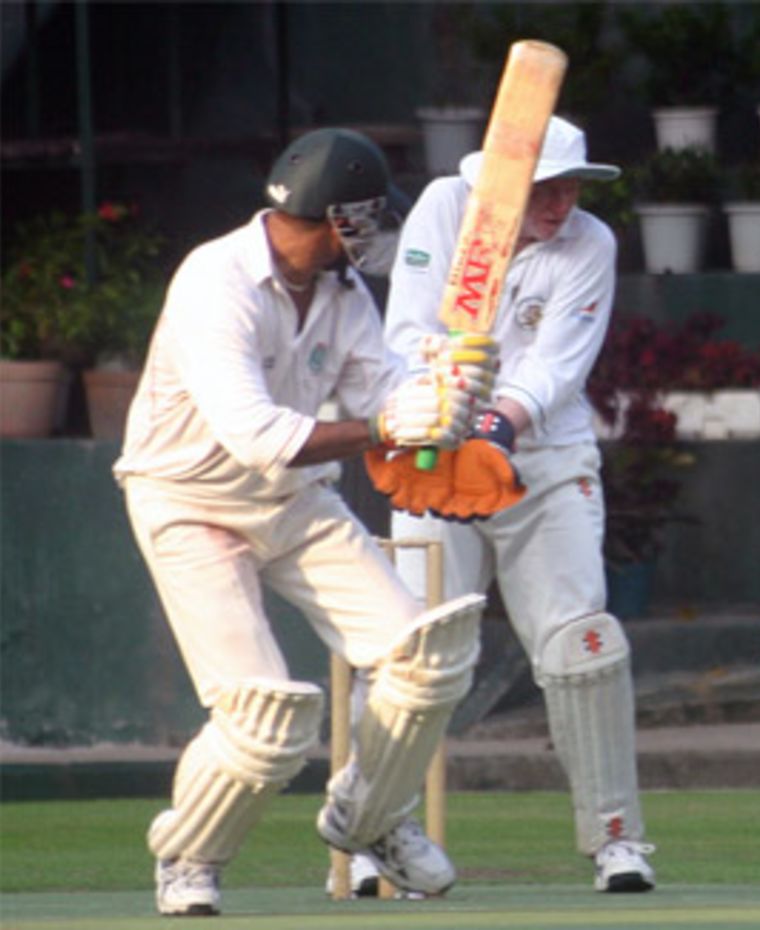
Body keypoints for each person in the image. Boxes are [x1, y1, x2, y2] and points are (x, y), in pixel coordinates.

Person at [113, 127, 499, 916]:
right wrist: (392, 427)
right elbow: (259, 436)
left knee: (428, 657)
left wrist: (446, 396)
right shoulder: (213, 283)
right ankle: (189, 859)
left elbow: (381, 395)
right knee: (266, 718)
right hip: (188, 503)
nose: (377, 234)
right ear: (338, 218)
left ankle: (370, 816)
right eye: (369, 218)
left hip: (292, 503)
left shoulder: (342, 293)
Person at [379, 116, 656, 893]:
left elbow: (557, 367)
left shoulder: (591, 243)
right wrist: (449, 398)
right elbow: (405, 331)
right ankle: (379, 832)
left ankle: (616, 840)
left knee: (581, 644)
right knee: (415, 649)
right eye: (545, 185)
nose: (562, 201)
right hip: (436, 451)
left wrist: (497, 424)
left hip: (544, 458)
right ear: (504, 182)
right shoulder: (443, 206)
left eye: (572, 184)